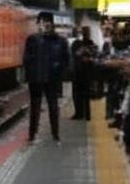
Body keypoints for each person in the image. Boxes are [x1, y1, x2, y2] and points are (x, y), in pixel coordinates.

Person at [22, 10, 70, 144]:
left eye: (47, 22)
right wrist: (30, 75)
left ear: (52, 24)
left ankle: (55, 134)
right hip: (36, 79)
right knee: (35, 108)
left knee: (53, 107)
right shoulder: (32, 40)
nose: (45, 25)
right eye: (42, 22)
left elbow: (66, 60)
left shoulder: (61, 41)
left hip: (52, 79)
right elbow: (26, 59)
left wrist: (59, 72)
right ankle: (32, 134)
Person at [69, 27, 98, 120]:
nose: (84, 34)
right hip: (78, 71)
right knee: (77, 94)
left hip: (86, 72)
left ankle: (85, 114)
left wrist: (88, 55)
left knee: (85, 94)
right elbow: (75, 54)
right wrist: (84, 52)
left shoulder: (90, 43)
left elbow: (94, 55)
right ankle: (79, 113)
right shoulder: (76, 43)